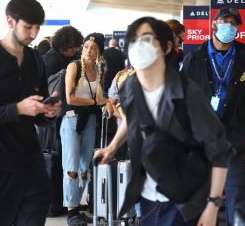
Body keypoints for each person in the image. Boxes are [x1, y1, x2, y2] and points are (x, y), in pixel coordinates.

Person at [95, 17, 232, 226]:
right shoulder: (131, 86)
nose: (140, 45)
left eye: (148, 39)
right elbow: (133, 118)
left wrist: (213, 205)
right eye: (134, 40)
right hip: (148, 197)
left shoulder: (187, 93)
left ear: (167, 47)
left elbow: (219, 150)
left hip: (184, 200)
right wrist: (112, 148)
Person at [0, 0, 61, 226]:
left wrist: (46, 112)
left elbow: (36, 113)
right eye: (28, 27)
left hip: (29, 157)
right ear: (10, 22)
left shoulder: (36, 59)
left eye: (38, 27)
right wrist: (17, 109)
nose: (34, 34)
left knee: (37, 204)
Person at [181, 7, 245, 226]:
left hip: (236, 140)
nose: (230, 26)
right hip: (203, 141)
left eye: (234, 23)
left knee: (236, 196)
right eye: (225, 21)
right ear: (214, 24)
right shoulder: (194, 59)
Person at [61, 32, 106, 226]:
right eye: (86, 46)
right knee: (71, 167)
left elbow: (103, 97)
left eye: (94, 47)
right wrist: (95, 102)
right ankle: (71, 210)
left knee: (84, 168)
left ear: (99, 51)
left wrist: (104, 103)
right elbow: (70, 98)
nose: (89, 50)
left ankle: (77, 208)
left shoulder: (98, 69)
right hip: (72, 120)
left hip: (90, 121)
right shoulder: (74, 66)